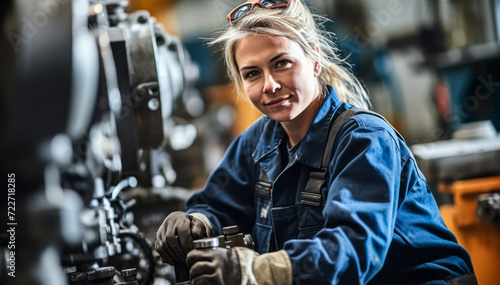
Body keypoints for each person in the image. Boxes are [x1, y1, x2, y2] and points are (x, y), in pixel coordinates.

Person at [155, 0, 476, 284]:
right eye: (252, 73)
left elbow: (352, 248)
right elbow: (218, 205)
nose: (269, 85)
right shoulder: (257, 143)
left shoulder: (364, 140)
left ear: (315, 60)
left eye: (281, 63)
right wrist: (195, 224)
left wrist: (257, 272)